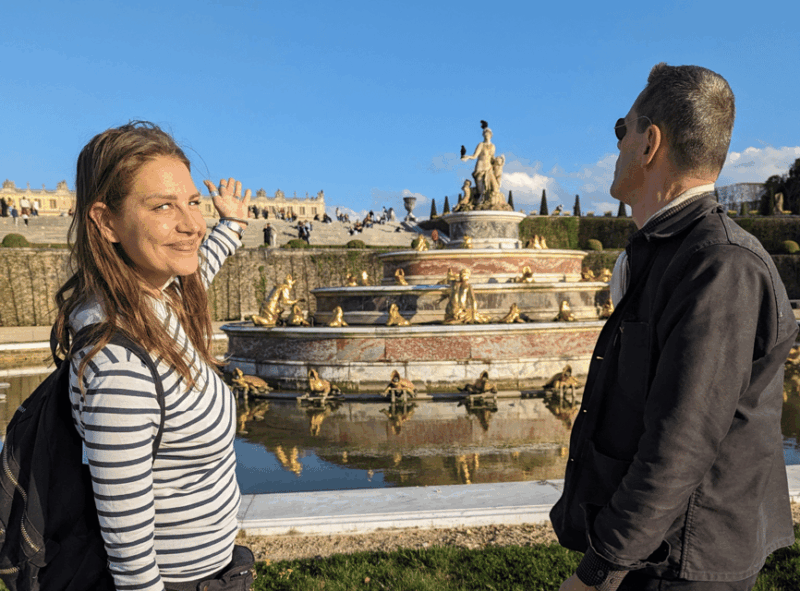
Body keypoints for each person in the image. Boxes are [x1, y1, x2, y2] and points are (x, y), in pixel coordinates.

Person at [551, 64, 797, 591]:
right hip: (656, 552)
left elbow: (680, 445)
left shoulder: (719, 267)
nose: (616, 145)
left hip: (682, 562)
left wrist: (599, 572)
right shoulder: (673, 254)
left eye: (623, 128)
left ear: (649, 144)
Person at [52, 121, 254, 591]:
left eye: (193, 203)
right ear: (105, 221)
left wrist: (233, 223)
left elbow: (198, 259)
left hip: (214, 571)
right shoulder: (118, 364)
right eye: (163, 206)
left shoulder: (155, 296)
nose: (192, 225)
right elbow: (128, 542)